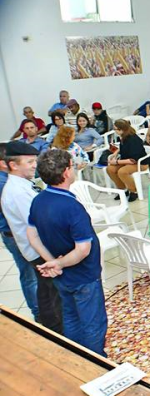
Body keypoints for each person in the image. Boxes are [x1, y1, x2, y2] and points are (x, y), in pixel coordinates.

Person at [28, 148, 107, 351]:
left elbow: (31, 235)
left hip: (62, 276)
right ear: (66, 172)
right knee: (93, 325)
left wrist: (52, 262)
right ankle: (96, 365)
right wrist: (58, 263)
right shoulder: (71, 207)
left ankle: (76, 356)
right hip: (83, 276)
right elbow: (82, 249)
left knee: (71, 318)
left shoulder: (38, 200)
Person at [0, 144, 40, 321]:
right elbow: (35, 223)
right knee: (32, 279)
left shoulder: (20, 184)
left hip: (23, 238)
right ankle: (40, 315)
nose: (34, 165)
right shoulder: (14, 190)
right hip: (25, 241)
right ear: (11, 164)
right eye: (30, 161)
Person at [106, 120, 147, 202]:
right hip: (127, 160)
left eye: (115, 129)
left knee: (122, 171)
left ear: (121, 130)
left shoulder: (133, 140)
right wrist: (115, 153)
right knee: (110, 169)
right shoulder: (123, 137)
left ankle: (133, 191)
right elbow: (123, 148)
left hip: (140, 163)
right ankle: (123, 189)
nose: (114, 131)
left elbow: (133, 160)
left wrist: (116, 162)